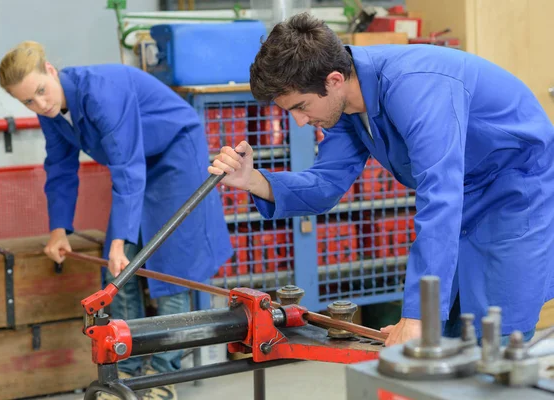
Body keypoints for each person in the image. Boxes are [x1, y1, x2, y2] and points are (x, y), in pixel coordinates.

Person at [209, 13, 554, 347]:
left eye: (302, 106)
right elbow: (326, 185)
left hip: (515, 193)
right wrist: (254, 180)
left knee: (493, 339)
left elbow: (440, 197)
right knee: (444, 341)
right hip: (463, 197)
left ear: (333, 80)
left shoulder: (416, 87)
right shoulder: (346, 106)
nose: (300, 122)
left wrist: (416, 317)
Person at [0, 41, 232, 399]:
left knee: (167, 266)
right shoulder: (51, 114)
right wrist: (59, 230)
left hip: (174, 153)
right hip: (137, 163)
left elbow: (126, 167)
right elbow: (60, 169)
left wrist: (119, 241)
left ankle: (163, 377)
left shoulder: (101, 92)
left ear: (50, 71)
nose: (40, 105)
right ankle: (129, 369)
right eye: (28, 101)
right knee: (118, 271)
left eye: (41, 92)